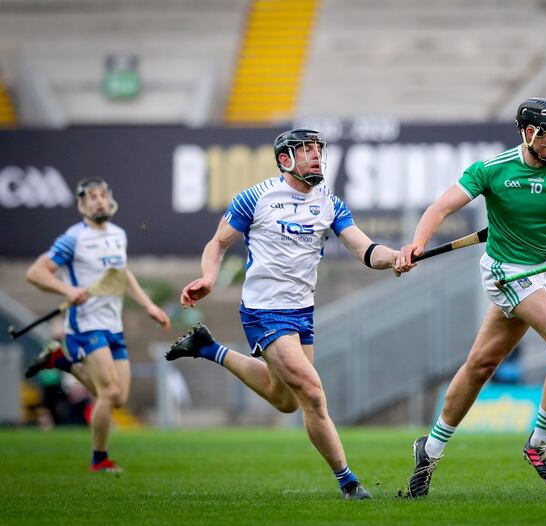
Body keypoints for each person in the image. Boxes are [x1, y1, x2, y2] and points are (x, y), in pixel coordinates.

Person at [395, 98, 546, 497]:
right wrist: (417, 243)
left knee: (481, 364)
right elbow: (441, 208)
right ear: (529, 132)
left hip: (539, 275)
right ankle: (540, 442)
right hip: (505, 273)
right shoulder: (492, 169)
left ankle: (429, 449)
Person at [165, 128, 398, 500]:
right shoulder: (256, 198)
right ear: (285, 159)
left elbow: (366, 250)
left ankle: (210, 349)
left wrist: (396, 257)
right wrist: (209, 277)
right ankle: (349, 483)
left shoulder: (330, 203)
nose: (316, 155)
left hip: (302, 312)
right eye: (306, 150)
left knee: (286, 400)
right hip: (264, 311)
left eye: (318, 149)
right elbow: (217, 243)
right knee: (312, 393)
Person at [25, 177, 171, 472]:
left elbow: (122, 275)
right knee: (109, 393)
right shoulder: (73, 239)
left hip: (113, 325)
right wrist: (67, 290)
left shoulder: (118, 235)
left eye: (103, 195)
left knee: (119, 398)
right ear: (81, 206)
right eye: (92, 197)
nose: (99, 201)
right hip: (85, 325)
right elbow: (36, 273)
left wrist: (149, 306)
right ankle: (99, 458)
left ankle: (61, 361)